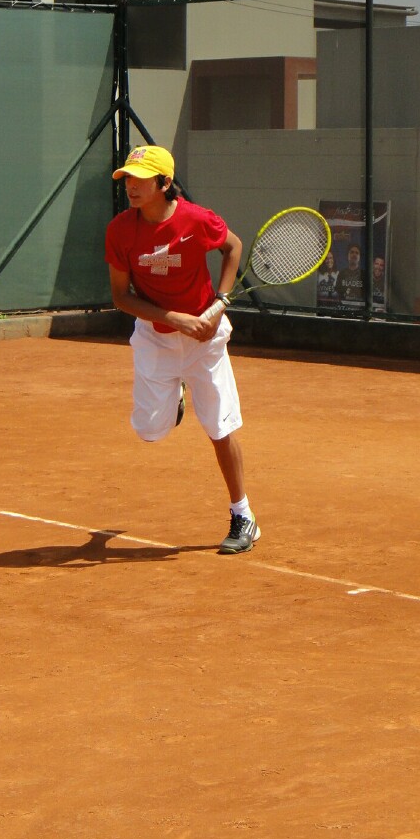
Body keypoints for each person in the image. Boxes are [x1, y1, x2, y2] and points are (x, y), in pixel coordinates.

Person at [104, 144, 259, 555]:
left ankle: (243, 515)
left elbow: (233, 247)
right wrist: (176, 320)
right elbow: (121, 296)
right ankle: (175, 399)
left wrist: (219, 304)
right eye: (128, 180)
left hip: (205, 340)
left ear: (165, 182)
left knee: (220, 426)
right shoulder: (120, 230)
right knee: (149, 431)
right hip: (156, 336)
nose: (132, 188)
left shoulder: (195, 219)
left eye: (141, 180)